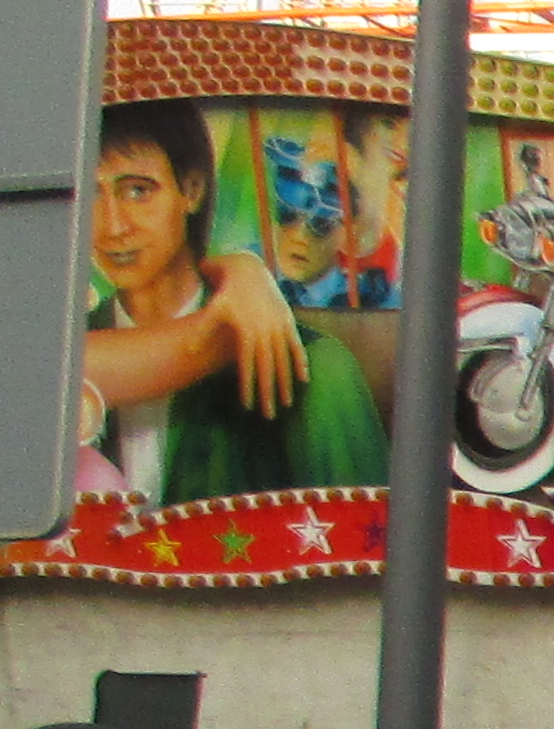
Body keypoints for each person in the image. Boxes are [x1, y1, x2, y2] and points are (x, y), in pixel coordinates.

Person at [83, 102, 386, 505]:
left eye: (138, 191)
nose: (113, 226)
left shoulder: (318, 369)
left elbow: (368, 532)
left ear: (192, 189)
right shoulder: (57, 358)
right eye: (89, 193)